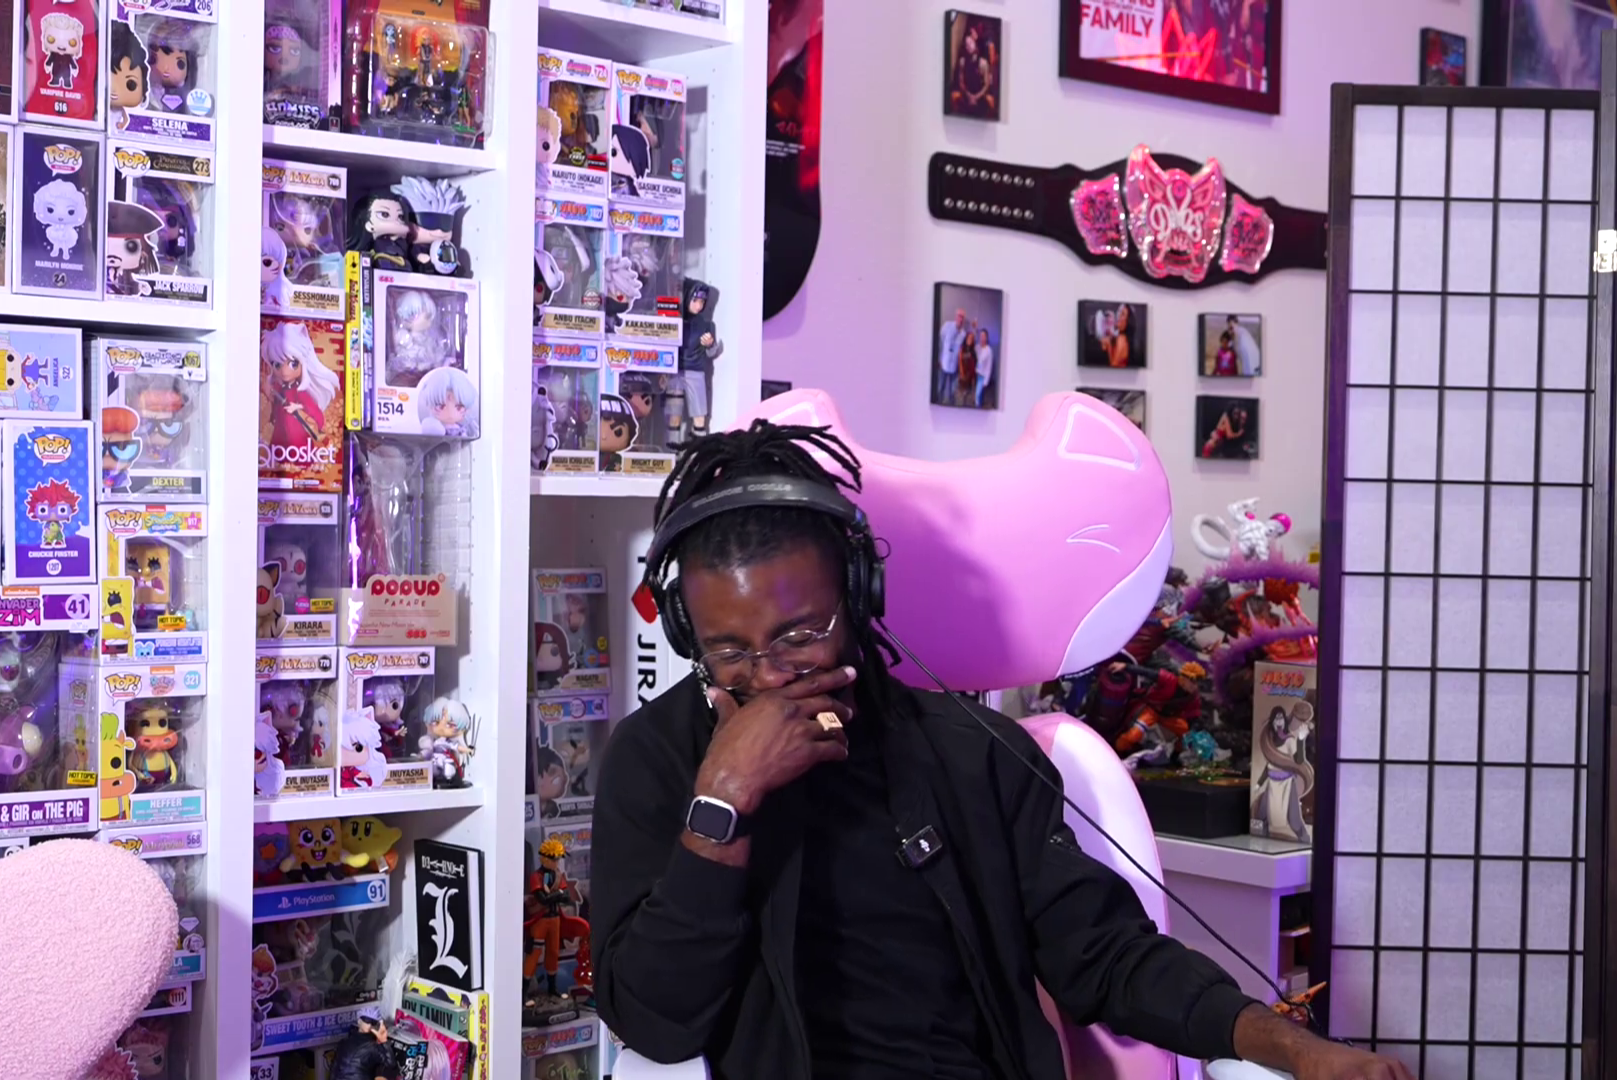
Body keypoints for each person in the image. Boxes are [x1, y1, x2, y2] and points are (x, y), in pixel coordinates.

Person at [590, 421, 1413, 1080]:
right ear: (689, 634)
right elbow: (656, 1023)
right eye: (731, 652)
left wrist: (1296, 1051)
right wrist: (723, 803)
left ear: (860, 596)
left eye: (801, 636)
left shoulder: (968, 754)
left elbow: (1106, 956)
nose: (770, 676)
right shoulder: (658, 760)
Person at [937, 307, 966, 404]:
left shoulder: (963, 334)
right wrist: (939, 358)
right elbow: (940, 343)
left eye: (962, 317)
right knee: (940, 387)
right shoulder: (947, 326)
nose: (961, 319)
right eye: (959, 316)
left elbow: (963, 348)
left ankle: (949, 406)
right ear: (955, 316)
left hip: (954, 367)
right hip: (944, 363)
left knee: (951, 392)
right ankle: (938, 403)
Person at [973, 326, 995, 408]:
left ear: (987, 338)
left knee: (977, 396)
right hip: (977, 375)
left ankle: (978, 409)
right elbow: (974, 344)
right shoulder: (979, 347)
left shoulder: (989, 350)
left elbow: (989, 366)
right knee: (979, 396)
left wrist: (986, 381)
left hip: (983, 377)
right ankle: (979, 408)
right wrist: (975, 329)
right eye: (981, 336)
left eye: (983, 336)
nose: (982, 338)